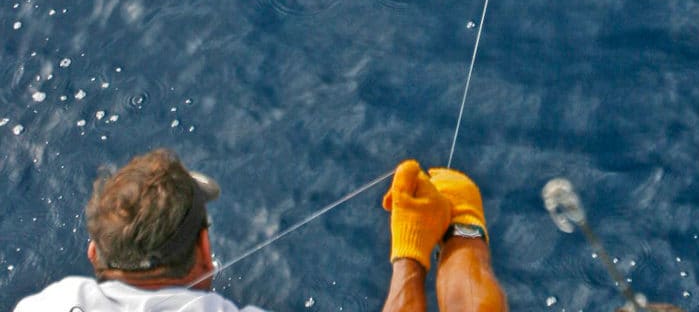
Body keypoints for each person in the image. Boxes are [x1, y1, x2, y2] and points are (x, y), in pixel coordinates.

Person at [12, 149, 507, 312]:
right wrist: (411, 252)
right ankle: (464, 227)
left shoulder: (44, 304)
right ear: (205, 251)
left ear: (94, 252)